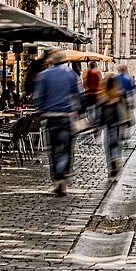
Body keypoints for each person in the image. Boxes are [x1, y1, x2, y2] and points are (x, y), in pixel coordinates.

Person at [34, 50, 80, 196]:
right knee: (66, 148)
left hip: (51, 117)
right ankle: (62, 176)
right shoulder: (71, 74)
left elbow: (39, 96)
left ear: (52, 61)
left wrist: (42, 109)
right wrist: (80, 110)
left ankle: (57, 179)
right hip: (66, 116)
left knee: (53, 149)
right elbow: (78, 94)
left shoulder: (44, 75)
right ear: (65, 61)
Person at [98, 64, 136, 177]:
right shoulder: (120, 92)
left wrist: (98, 126)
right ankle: (116, 158)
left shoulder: (102, 95)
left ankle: (111, 164)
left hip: (107, 122)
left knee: (108, 143)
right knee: (116, 142)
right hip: (118, 120)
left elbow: (99, 111)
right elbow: (126, 105)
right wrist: (128, 118)